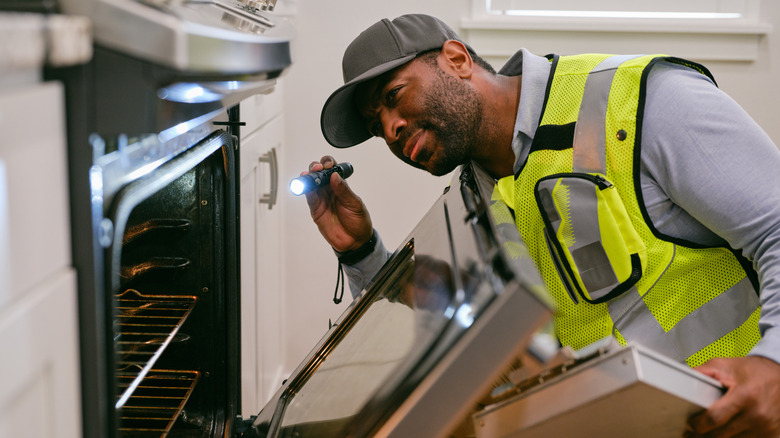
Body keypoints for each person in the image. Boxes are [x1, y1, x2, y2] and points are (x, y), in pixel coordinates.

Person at [301, 13, 780, 437]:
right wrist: (363, 253)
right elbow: (468, 312)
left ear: (456, 58)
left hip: (733, 417)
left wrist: (772, 366)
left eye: (393, 96)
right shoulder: (476, 190)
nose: (389, 128)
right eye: (376, 122)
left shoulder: (643, 100)